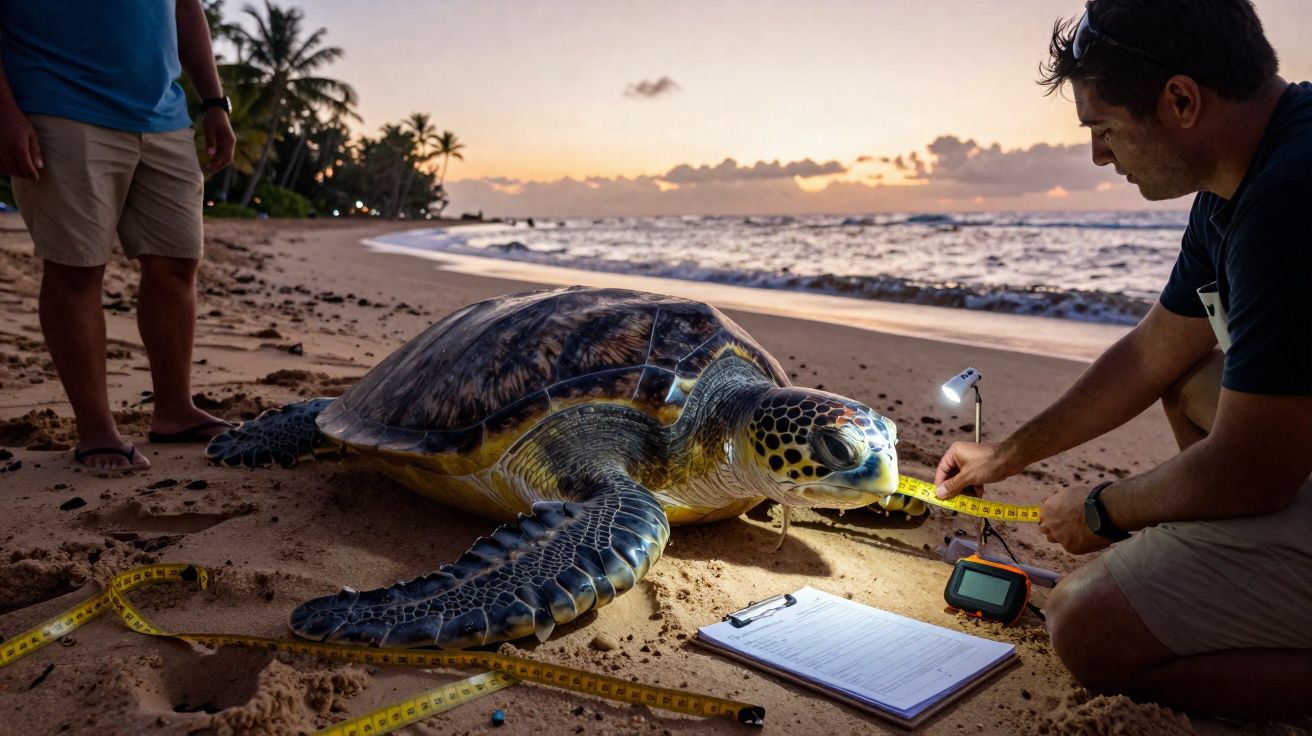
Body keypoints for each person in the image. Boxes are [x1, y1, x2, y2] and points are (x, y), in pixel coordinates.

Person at [933, 0, 1311, 721]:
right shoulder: (1238, 185)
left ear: (1180, 100)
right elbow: (1148, 354)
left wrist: (1104, 510)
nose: (1099, 156)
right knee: (1189, 380)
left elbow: (1251, 470)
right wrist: (1003, 455)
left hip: (1267, 471)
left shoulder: (1291, 198)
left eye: (1104, 129)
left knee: (1084, 626)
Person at [0, 0, 236, 474]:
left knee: (176, 262)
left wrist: (213, 101)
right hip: (59, 104)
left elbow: (185, 9)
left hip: (164, 115)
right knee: (76, 268)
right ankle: (95, 429)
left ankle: (174, 409)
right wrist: (5, 113)